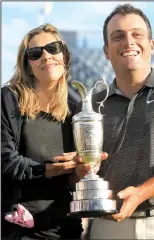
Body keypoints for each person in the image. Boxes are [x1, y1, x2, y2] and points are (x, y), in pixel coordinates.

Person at [74, 4, 154, 239]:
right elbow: (78, 173)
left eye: (137, 34)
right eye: (118, 36)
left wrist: (141, 193)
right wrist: (80, 169)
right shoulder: (89, 107)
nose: (129, 42)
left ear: (151, 45)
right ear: (106, 51)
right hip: (106, 226)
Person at [1, 23, 83, 240]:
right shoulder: (9, 99)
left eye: (53, 48)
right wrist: (48, 170)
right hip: (20, 228)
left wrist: (83, 167)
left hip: (65, 229)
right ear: (27, 65)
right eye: (35, 53)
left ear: (64, 55)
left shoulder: (77, 107)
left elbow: (73, 181)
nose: (46, 56)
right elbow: (4, 160)